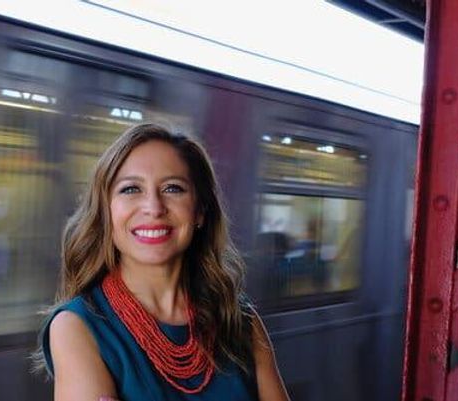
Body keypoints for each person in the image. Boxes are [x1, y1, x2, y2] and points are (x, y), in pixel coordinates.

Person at [39, 124, 290, 400]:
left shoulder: (240, 319)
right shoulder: (76, 327)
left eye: (173, 188)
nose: (154, 208)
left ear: (200, 212)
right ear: (106, 212)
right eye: (131, 189)